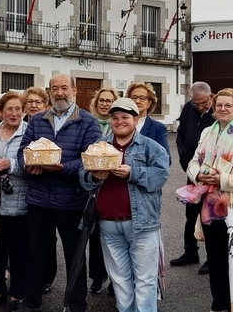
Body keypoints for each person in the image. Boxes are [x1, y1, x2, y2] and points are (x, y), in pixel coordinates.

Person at [17, 73, 102, 312]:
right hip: (38, 199)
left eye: (64, 88)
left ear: (74, 90)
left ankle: (76, 304)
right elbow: (24, 150)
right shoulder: (37, 120)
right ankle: (31, 302)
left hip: (71, 200)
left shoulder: (88, 121)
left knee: (74, 255)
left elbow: (89, 159)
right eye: (55, 89)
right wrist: (27, 165)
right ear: (50, 92)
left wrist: (63, 168)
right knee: (35, 253)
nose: (59, 93)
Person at [78, 97, 170, 312]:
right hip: (108, 226)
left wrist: (133, 172)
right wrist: (95, 177)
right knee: (120, 281)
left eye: (125, 117)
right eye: (115, 117)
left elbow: (161, 176)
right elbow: (82, 179)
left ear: (136, 120)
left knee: (145, 280)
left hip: (143, 225)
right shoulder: (98, 147)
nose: (120, 121)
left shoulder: (150, 147)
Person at [187, 88, 233, 312]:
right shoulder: (206, 133)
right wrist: (198, 175)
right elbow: (193, 162)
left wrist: (224, 180)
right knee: (214, 256)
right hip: (209, 204)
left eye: (228, 105)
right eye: (219, 105)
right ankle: (218, 303)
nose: (222, 109)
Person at [0, 92, 30, 311]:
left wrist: (10, 164)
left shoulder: (30, 132)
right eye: (9, 109)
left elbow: (33, 165)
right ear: (0, 111)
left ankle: (18, 293)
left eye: (18, 109)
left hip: (18, 201)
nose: (14, 113)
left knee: (18, 251)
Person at [171, 81, 215, 274]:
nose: (199, 107)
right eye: (195, 103)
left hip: (212, 176)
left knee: (210, 217)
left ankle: (213, 258)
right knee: (191, 214)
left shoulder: (217, 111)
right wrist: (184, 159)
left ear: (210, 97)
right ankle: (190, 252)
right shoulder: (189, 108)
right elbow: (180, 134)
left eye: (203, 103)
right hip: (191, 171)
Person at [20, 86, 57, 292]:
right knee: (26, 237)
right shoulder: (18, 124)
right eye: (30, 102)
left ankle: (46, 276)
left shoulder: (48, 124)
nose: (33, 105)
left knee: (46, 237)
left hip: (43, 189)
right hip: (20, 189)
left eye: (38, 102)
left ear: (46, 105)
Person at [86, 87, 120, 294]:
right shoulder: (90, 124)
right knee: (94, 234)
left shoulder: (120, 125)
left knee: (114, 238)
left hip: (115, 185)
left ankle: (115, 280)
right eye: (102, 101)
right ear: (96, 103)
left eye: (109, 101)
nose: (105, 104)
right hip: (93, 187)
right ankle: (97, 276)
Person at [125, 82, 170, 163]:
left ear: (149, 103)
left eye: (142, 98)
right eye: (134, 98)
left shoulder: (158, 128)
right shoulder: (121, 124)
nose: (137, 101)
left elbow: (166, 159)